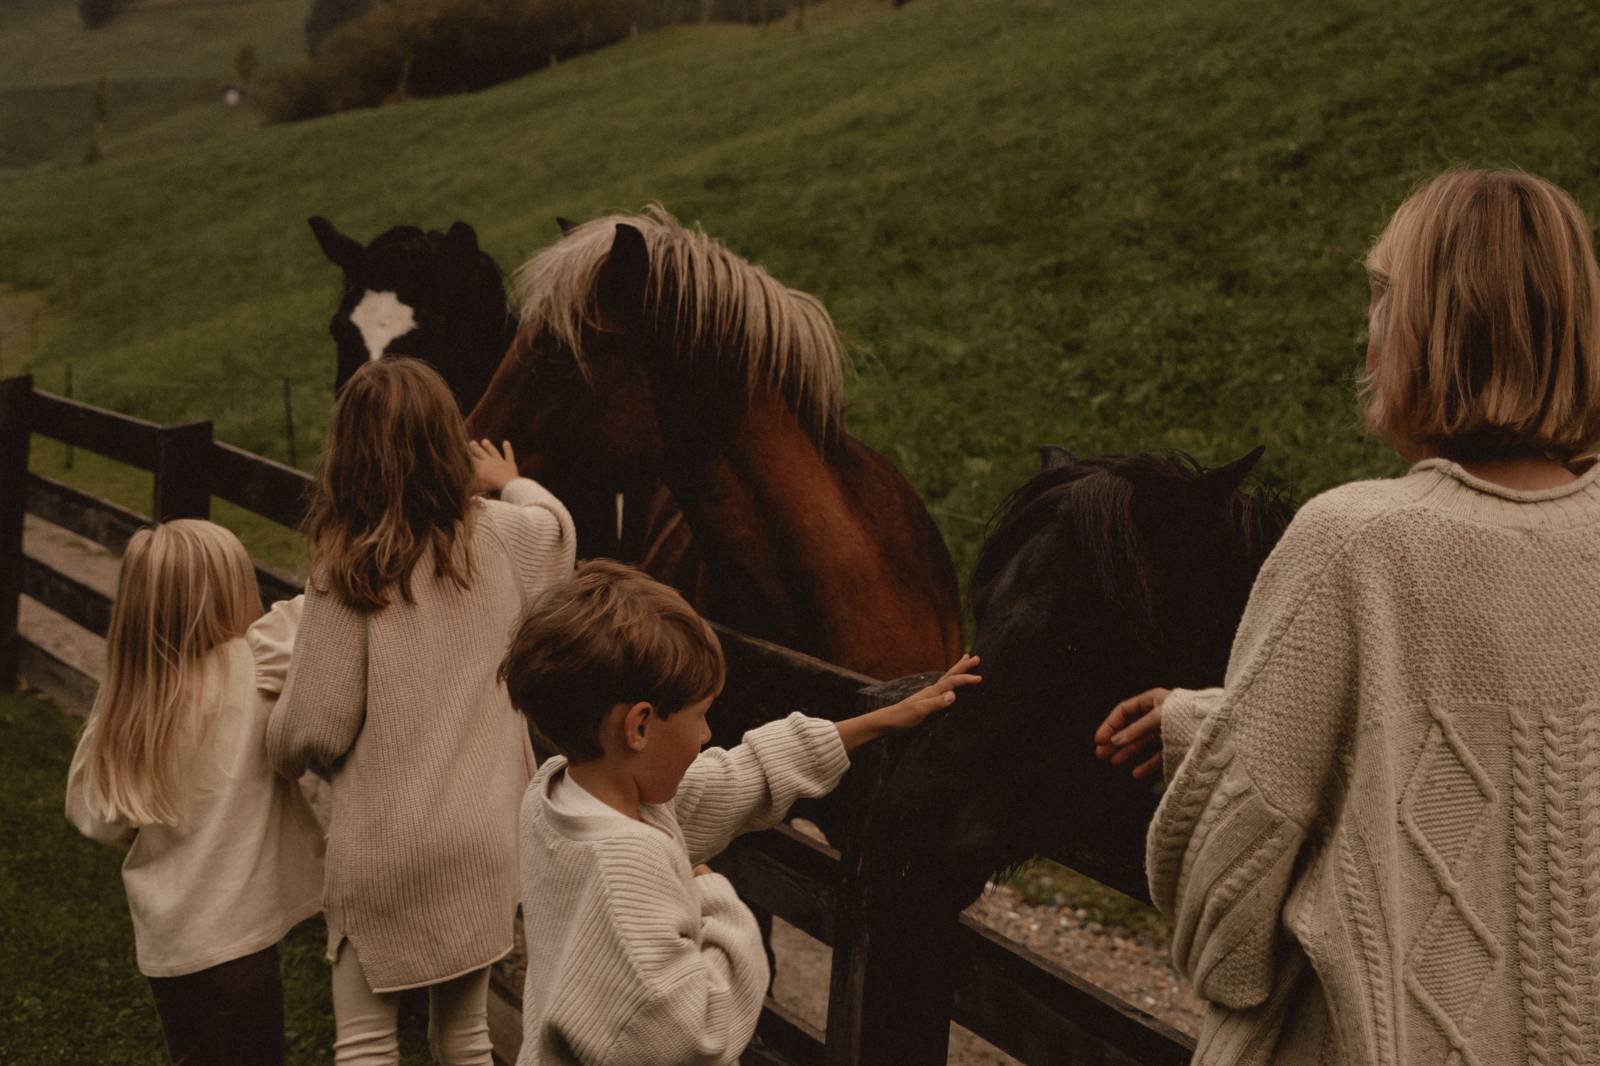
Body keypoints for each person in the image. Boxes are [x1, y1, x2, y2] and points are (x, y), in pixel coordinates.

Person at [1094, 168, 1600, 1064]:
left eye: (1382, 298)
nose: (1368, 334)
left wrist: (1234, 751)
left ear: (1430, 331)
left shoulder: (1356, 542)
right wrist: (1217, 719)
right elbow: (1522, 756)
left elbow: (1225, 914)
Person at [499, 559, 980, 1065]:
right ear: (639, 727)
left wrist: (874, 723)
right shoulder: (626, 865)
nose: (707, 737)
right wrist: (712, 894)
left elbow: (733, 778)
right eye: (701, 717)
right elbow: (699, 1037)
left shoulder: (559, 792)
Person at [266, 357, 576, 1065]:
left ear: (347, 453)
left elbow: (317, 725)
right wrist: (511, 480)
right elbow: (558, 530)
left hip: (385, 846)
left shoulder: (346, 567)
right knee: (464, 1037)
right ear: (448, 441)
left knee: (368, 1040)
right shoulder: (504, 538)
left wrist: (273, 743)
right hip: (485, 838)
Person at [65, 519, 324, 1066]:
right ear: (229, 592)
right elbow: (322, 614)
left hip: (167, 947)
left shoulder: (130, 701)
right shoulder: (254, 665)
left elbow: (95, 817)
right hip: (240, 946)